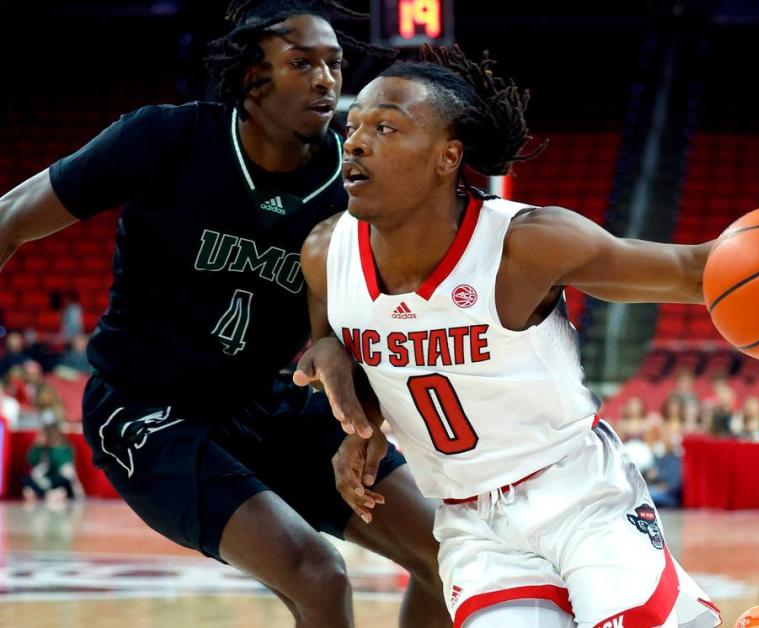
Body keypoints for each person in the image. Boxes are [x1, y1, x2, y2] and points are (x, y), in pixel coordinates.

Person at [295, 45, 759, 628]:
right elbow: (346, 353)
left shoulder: (526, 244)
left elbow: (698, 269)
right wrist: (359, 425)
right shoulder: (324, 254)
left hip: (582, 497)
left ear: (448, 156)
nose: (357, 141)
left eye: (386, 127)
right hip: (472, 526)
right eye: (355, 126)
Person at [0, 2, 449, 626]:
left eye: (335, 65)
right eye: (302, 63)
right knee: (318, 574)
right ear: (250, 80)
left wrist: (362, 426)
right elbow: (11, 217)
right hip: (146, 406)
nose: (326, 79)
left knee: (450, 553)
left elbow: (373, 322)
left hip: (266, 399)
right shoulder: (165, 138)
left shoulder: (355, 181)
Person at [21, 420, 84, 503]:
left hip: (58, 478)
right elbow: (31, 460)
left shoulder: (64, 448)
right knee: (26, 479)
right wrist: (37, 446)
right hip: (44, 479)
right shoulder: (41, 449)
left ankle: (51, 494)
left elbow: (62, 465)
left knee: (63, 483)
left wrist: (55, 447)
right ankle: (44, 493)